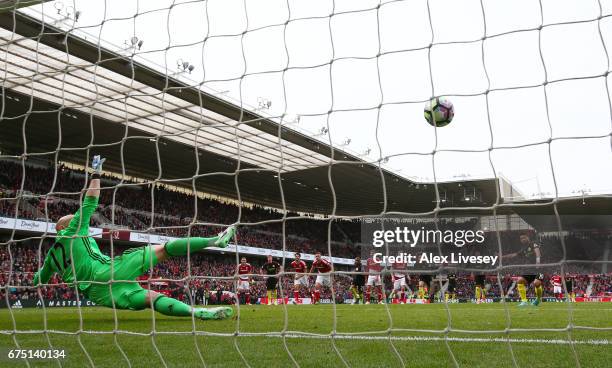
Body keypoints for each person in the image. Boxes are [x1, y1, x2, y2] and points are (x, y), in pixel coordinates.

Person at [33, 156, 235, 320]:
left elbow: (38, 280)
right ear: (63, 227)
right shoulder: (72, 230)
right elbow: (90, 201)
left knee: (151, 298)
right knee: (164, 249)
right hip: (108, 270)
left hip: (99, 294)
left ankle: (198, 312)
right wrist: (95, 173)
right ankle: (214, 241)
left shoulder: (51, 257)